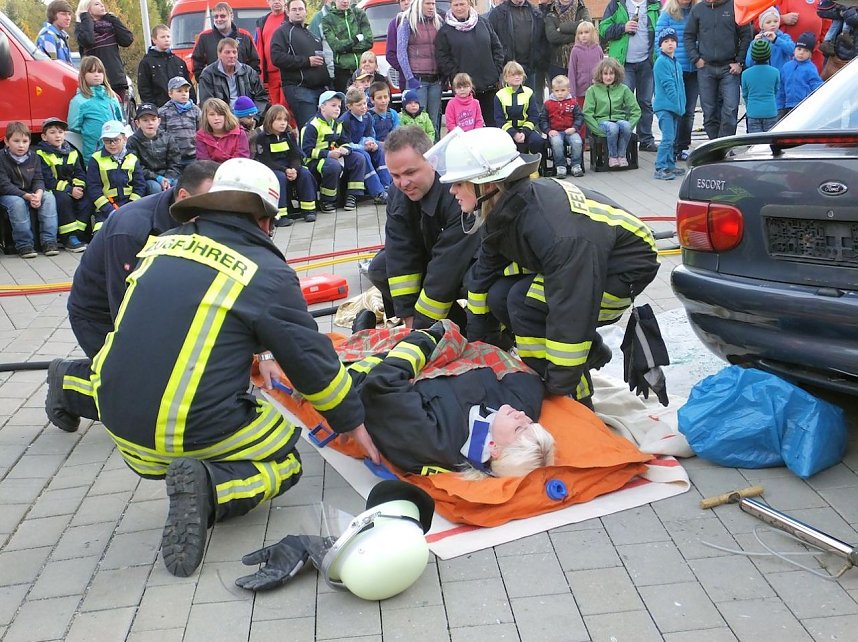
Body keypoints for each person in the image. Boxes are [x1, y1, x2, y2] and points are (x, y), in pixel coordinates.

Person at [45, 157, 380, 578]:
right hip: (180, 430)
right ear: (264, 220)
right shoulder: (266, 272)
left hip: (118, 427)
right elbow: (312, 360)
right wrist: (352, 419)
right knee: (286, 454)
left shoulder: (161, 243)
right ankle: (214, 487)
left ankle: (72, 386)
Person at [433, 127, 660, 408]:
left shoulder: (553, 230)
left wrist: (558, 389)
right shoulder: (504, 210)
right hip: (586, 262)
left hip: (623, 270)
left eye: (459, 182)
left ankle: (575, 396)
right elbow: (482, 277)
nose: (452, 190)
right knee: (500, 294)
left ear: (487, 183)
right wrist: (480, 348)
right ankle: (570, 360)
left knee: (524, 303)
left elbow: (571, 310)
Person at [352, 325, 555, 476]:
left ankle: (359, 329)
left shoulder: (432, 438)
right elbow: (524, 375)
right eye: (530, 422)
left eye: (519, 428)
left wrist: (429, 339)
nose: (521, 416)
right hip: (431, 346)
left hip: (384, 362)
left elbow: (381, 386)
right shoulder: (519, 405)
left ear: (494, 448)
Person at [66, 161, 219, 359]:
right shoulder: (131, 230)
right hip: (99, 320)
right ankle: (70, 377)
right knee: (133, 380)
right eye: (212, 204)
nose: (219, 211)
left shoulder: (193, 216)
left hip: (154, 302)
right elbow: (123, 307)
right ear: (183, 197)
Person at [367, 125, 480, 330]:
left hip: (466, 260)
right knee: (379, 268)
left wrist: (421, 328)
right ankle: (453, 327)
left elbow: (446, 268)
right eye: (395, 175)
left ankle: (483, 331)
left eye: (410, 172)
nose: (403, 183)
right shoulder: (397, 193)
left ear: (433, 161)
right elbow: (399, 251)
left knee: (472, 283)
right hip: (433, 254)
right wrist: (409, 317)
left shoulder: (456, 192)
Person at [683, 0, 752, 140]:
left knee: (731, 108)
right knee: (708, 111)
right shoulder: (698, 9)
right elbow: (688, 35)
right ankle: (714, 146)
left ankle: (724, 144)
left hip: (729, 67)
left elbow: (746, 35)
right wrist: (695, 58)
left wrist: (739, 61)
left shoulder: (734, 7)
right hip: (705, 67)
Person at [598, 0, 661, 152]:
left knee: (645, 103)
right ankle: (624, 141)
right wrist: (623, 27)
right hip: (623, 65)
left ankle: (645, 139)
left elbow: (660, 31)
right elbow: (602, 29)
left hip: (647, 62)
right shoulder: (617, 4)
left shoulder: (654, 5)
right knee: (623, 104)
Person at [435, 0, 505, 125]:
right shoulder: (445, 32)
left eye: (462, 4)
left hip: (489, 86)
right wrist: (456, 77)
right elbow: (443, 58)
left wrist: (496, 71)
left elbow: (497, 48)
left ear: (469, 5)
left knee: (493, 127)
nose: (459, 8)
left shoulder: (483, 23)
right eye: (456, 5)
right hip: (465, 91)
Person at [251, 103, 318, 225]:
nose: (283, 123)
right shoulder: (262, 138)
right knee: (280, 178)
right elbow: (266, 161)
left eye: (285, 120)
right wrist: (285, 170)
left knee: (305, 173)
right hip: (274, 169)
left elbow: (295, 155)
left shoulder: (289, 135)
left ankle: (309, 210)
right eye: (279, 119)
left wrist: (294, 169)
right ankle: (280, 216)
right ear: (270, 120)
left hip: (290, 167)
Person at [0, 122, 59, 259]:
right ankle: (24, 245)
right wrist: (26, 196)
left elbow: (38, 179)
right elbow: (4, 185)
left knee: (48, 198)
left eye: (25, 141)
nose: (21, 145)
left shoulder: (34, 157)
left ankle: (49, 242)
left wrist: (38, 194)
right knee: (17, 203)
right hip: (8, 194)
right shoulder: (1, 158)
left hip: (30, 192)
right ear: (7, 141)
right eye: (16, 141)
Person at [300, 90, 367, 212]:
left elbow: (345, 141)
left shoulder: (337, 124)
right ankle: (327, 201)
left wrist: (346, 150)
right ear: (322, 107)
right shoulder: (312, 126)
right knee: (332, 165)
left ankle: (352, 196)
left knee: (359, 158)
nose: (337, 109)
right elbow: (305, 152)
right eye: (333, 105)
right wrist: (328, 154)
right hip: (314, 162)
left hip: (333, 157)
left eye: (339, 106)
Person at [271, 0, 331, 131]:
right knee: (308, 130)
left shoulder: (312, 34)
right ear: (287, 12)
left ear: (306, 11)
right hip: (299, 89)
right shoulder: (282, 32)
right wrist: (306, 61)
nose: (297, 12)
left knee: (324, 131)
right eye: (294, 9)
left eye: (300, 9)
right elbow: (277, 58)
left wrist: (329, 85)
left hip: (321, 90)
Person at [35, 117, 90, 251]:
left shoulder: (72, 151)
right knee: (63, 198)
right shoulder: (40, 153)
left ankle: (80, 234)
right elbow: (47, 179)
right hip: (52, 189)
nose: (57, 135)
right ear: (44, 137)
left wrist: (79, 187)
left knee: (88, 197)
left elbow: (80, 173)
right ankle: (68, 238)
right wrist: (70, 190)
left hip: (72, 188)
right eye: (52, 132)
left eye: (60, 132)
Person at [86, 120, 145, 233]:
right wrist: (109, 210)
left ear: (124, 139)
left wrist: (130, 206)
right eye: (107, 141)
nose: (112, 144)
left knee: (136, 233)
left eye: (116, 140)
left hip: (130, 205)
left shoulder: (132, 158)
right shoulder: (95, 159)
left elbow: (140, 186)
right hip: (105, 208)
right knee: (100, 235)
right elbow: (93, 188)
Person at [655, 0, 697, 162]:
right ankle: (670, 150)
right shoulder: (667, 14)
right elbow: (659, 42)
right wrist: (665, 65)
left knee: (689, 111)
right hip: (674, 68)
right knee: (674, 109)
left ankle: (682, 147)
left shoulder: (698, 10)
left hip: (694, 66)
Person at [397, 0, 444, 141]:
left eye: (433, 4)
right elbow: (401, 51)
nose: (431, 7)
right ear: (419, 4)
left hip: (436, 80)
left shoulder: (439, 21)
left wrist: (444, 75)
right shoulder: (407, 21)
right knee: (416, 124)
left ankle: (435, 157)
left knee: (433, 123)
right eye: (428, 3)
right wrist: (409, 77)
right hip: (417, 80)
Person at [583, 58, 641, 168]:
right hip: (602, 121)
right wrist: (597, 130)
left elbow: (636, 110)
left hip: (619, 119)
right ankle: (612, 156)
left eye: (611, 73)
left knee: (625, 125)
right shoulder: (592, 90)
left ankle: (622, 156)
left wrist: (630, 125)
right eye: (605, 74)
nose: (608, 77)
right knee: (613, 127)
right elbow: (587, 113)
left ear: (616, 74)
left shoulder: (623, 89)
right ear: (600, 74)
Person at [68, 55, 124, 164]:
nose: (97, 75)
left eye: (100, 71)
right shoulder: (79, 101)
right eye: (92, 72)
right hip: (93, 150)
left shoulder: (111, 96)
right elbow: (74, 126)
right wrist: (90, 132)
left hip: (116, 149)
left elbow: (119, 119)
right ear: (83, 75)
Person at [339, 88, 391, 205]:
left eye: (364, 103)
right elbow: (346, 144)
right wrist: (363, 147)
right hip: (349, 151)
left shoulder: (367, 117)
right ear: (349, 106)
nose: (363, 107)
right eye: (359, 105)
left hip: (362, 146)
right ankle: (377, 193)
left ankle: (387, 187)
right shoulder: (345, 120)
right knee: (364, 156)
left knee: (380, 150)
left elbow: (369, 134)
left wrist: (370, 142)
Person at [74, 0, 133, 102]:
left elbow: (127, 39)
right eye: (97, 4)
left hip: (116, 78)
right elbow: (88, 40)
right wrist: (85, 17)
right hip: (95, 82)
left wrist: (112, 19)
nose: (102, 6)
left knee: (117, 113)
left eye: (102, 4)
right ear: (87, 9)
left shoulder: (110, 25)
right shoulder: (81, 28)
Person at [198, 38, 271, 116]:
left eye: (234, 52)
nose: (232, 56)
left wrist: (255, 118)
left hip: (248, 117)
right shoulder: (208, 74)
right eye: (227, 52)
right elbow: (207, 103)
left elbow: (261, 97)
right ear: (219, 54)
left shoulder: (249, 72)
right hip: (222, 119)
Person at [488, 0, 549, 95]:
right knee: (509, 105)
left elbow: (542, 39)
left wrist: (539, 58)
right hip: (508, 69)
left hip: (531, 68)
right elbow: (491, 42)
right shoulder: (498, 14)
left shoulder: (535, 13)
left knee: (532, 104)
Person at [191, 2, 260, 81]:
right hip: (214, 87)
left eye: (222, 16)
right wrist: (204, 81)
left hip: (241, 85)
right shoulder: (204, 37)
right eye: (216, 16)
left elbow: (255, 61)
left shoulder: (245, 36)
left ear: (231, 16)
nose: (219, 19)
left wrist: (251, 81)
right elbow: (196, 62)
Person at [652, 27, 685, 181]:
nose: (670, 44)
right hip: (665, 107)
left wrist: (682, 104)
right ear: (661, 45)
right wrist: (676, 102)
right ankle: (660, 167)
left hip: (675, 107)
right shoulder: (661, 62)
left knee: (673, 138)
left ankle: (670, 164)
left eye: (672, 41)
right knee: (667, 138)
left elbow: (681, 86)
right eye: (666, 41)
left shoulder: (677, 64)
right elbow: (668, 85)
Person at [127, 103, 182, 195]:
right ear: (137, 123)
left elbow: (175, 162)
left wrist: (168, 178)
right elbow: (136, 166)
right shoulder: (133, 141)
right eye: (145, 120)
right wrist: (157, 178)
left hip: (168, 175)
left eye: (153, 119)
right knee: (155, 187)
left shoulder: (167, 137)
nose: (150, 123)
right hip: (147, 178)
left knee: (177, 185)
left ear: (159, 121)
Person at [138, 24, 195, 108]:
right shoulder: (147, 62)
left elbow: (188, 85)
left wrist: (192, 103)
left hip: (182, 108)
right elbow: (144, 88)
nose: (166, 39)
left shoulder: (179, 62)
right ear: (154, 40)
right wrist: (153, 107)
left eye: (168, 36)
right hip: (160, 107)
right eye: (163, 37)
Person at [494, 61, 545, 156]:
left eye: (519, 74)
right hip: (507, 131)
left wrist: (524, 132)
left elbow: (534, 116)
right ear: (505, 78)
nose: (517, 77)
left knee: (538, 141)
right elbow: (499, 120)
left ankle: (536, 167)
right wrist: (514, 134)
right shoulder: (499, 95)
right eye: (513, 75)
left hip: (526, 129)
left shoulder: (529, 92)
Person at [321, 0, 373, 91]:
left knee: (367, 99)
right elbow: (336, 46)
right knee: (347, 101)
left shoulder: (359, 14)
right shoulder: (327, 19)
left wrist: (345, 48)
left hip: (363, 67)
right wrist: (356, 39)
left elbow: (369, 41)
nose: (345, 1)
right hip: (343, 70)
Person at [539, 75, 584, 178]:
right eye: (557, 90)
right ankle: (560, 166)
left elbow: (579, 117)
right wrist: (548, 131)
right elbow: (543, 119)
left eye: (563, 90)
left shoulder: (573, 102)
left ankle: (576, 165)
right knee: (557, 142)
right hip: (555, 131)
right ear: (552, 90)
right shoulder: (548, 104)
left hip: (570, 130)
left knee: (577, 142)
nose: (560, 93)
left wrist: (574, 128)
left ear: (568, 90)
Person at [159, 76, 202, 170]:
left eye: (186, 91)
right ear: (170, 93)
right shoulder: (163, 112)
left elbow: (201, 131)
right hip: (173, 158)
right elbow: (161, 135)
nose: (184, 94)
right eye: (179, 91)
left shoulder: (196, 110)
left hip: (193, 156)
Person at [778, 32, 824, 115]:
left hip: (804, 105)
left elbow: (816, 84)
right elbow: (781, 87)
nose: (801, 53)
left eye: (806, 51)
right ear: (794, 49)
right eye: (799, 49)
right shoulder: (786, 66)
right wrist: (779, 106)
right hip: (787, 106)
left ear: (810, 54)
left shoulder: (810, 68)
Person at [544, 0, 591, 82]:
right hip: (557, 63)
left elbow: (588, 26)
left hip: (580, 62)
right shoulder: (551, 11)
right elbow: (552, 37)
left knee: (579, 94)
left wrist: (561, 27)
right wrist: (577, 33)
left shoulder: (581, 9)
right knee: (558, 93)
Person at [742, 39, 780, 133]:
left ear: (753, 56)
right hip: (770, 111)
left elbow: (745, 94)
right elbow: (776, 90)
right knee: (770, 141)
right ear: (769, 55)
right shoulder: (775, 72)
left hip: (753, 112)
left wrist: (750, 107)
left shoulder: (745, 74)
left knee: (756, 142)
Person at [196, 97, 252, 162]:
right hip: (210, 170)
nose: (216, 118)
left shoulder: (240, 133)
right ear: (206, 117)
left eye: (220, 114)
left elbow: (241, 159)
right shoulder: (201, 136)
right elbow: (204, 161)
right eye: (212, 114)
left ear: (226, 115)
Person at [255, 0, 288, 108]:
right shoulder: (262, 21)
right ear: (268, 2)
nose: (276, 2)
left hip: (287, 72)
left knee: (287, 107)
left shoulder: (290, 19)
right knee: (274, 108)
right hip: (270, 74)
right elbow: (259, 46)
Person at [779, 0, 825, 72]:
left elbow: (828, 23)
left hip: (814, 55)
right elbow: (758, 22)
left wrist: (821, 42)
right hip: (786, 55)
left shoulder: (823, 2)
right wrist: (782, 19)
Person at [745, 8, 795, 72]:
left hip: (782, 77)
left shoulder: (784, 37)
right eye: (768, 22)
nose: (773, 24)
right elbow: (749, 63)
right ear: (762, 25)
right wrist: (754, 45)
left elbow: (793, 51)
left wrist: (776, 40)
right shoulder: (758, 40)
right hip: (765, 77)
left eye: (775, 21)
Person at [385, 0, 412, 87]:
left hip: (429, 77)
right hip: (406, 80)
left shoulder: (425, 21)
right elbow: (390, 54)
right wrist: (404, 69)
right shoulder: (394, 24)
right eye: (402, 0)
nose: (406, 2)